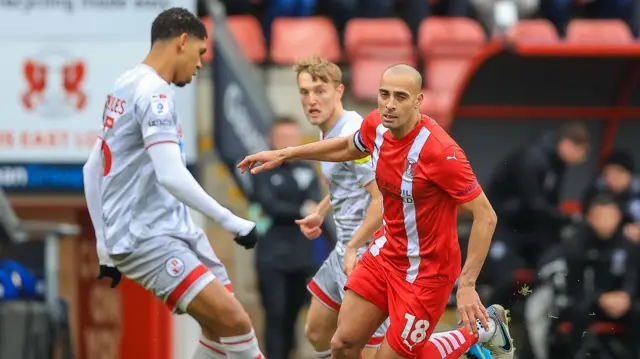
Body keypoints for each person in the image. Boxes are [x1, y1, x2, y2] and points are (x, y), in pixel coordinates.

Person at [238, 64, 515, 359]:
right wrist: (284, 154)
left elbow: (486, 216)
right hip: (385, 254)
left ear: (418, 101)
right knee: (341, 344)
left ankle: (482, 329)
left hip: (427, 272)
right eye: (384, 95)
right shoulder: (376, 126)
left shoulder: (441, 152)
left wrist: (467, 285)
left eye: (400, 97)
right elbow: (347, 147)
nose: (390, 104)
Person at [82, 8, 264, 359]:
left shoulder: (125, 83)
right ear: (183, 41)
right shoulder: (154, 93)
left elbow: (92, 167)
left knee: (219, 329)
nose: (199, 65)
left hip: (169, 230)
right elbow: (170, 175)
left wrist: (104, 247)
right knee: (237, 322)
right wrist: (231, 221)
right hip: (147, 237)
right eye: (200, 52)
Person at [287, 57, 389, 359]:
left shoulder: (353, 134)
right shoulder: (327, 131)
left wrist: (354, 247)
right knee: (317, 333)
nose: (312, 100)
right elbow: (349, 184)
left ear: (339, 90)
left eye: (320, 91)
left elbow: (381, 198)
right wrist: (321, 210)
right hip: (346, 248)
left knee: (360, 350)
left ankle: (469, 338)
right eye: (305, 92)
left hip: (367, 251)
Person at [484, 122, 589, 305]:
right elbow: (532, 203)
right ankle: (487, 320)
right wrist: (565, 219)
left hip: (531, 228)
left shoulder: (557, 164)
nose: (583, 158)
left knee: (551, 266)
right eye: (581, 151)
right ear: (567, 144)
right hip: (505, 225)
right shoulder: (532, 159)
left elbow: (549, 202)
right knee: (505, 276)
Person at [250, 116, 323, 359]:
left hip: (301, 257)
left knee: (293, 318)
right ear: (271, 139)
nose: (287, 145)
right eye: (282, 138)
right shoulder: (261, 168)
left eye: (292, 138)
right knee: (275, 315)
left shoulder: (306, 169)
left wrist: (300, 209)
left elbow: (315, 202)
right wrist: (301, 209)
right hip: (272, 258)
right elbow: (270, 205)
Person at [547, 194, 640, 359]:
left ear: (618, 217)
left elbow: (632, 275)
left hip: (619, 302)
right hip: (585, 301)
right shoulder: (576, 245)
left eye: (610, 216)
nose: (605, 222)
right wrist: (600, 298)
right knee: (579, 312)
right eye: (599, 216)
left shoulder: (628, 246)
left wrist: (626, 296)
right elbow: (573, 286)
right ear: (589, 217)